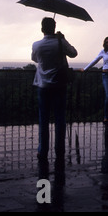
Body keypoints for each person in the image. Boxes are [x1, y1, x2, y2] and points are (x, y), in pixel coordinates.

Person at [32, 17, 78, 178]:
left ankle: (42, 151)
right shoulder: (60, 43)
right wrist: (63, 39)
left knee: (43, 120)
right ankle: (60, 150)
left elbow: (35, 59)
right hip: (59, 85)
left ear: (42, 28)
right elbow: (74, 53)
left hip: (42, 86)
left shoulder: (36, 45)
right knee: (60, 119)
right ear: (54, 27)